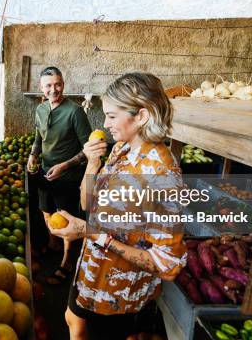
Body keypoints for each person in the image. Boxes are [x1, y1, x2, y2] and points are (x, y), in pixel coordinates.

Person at [48, 73, 187, 339]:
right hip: (90, 271)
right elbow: (86, 203)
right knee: (73, 322)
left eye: (112, 116)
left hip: (117, 295)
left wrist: (89, 233)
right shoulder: (120, 149)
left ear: (142, 116)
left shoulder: (161, 174)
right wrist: (91, 163)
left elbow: (168, 265)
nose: (105, 123)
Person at [27, 66, 92, 284]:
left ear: (63, 84)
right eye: (48, 85)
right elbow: (39, 137)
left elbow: (88, 149)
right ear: (41, 88)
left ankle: (67, 262)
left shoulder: (75, 112)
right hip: (45, 172)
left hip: (68, 177)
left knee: (66, 221)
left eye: (58, 84)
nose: (53, 89)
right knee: (46, 212)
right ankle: (55, 245)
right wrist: (33, 155)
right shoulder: (41, 110)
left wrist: (65, 166)